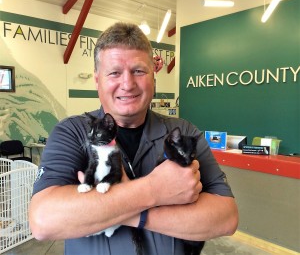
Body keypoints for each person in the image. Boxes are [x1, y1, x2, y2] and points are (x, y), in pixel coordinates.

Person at [29, 22, 238, 255]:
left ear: (153, 78)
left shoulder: (183, 132)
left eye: (138, 71)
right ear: (97, 80)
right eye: (114, 73)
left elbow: (226, 217)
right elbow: (43, 221)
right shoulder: (72, 132)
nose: (127, 84)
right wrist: (154, 190)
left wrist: (122, 211)